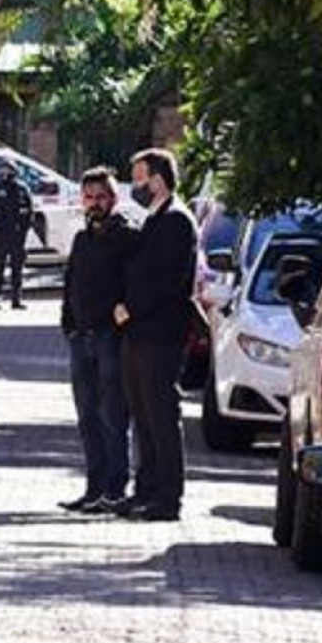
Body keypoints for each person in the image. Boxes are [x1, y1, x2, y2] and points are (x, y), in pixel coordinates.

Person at [114, 147, 200, 522]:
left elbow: (169, 279)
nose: (135, 185)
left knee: (161, 414)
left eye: (139, 177)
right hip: (138, 332)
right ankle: (145, 489)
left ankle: (168, 497)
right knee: (142, 414)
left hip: (161, 332)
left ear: (158, 179)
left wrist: (133, 307)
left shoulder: (177, 221)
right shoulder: (155, 217)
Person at [59, 167, 137, 514]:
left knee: (112, 414)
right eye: (88, 197)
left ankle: (115, 488)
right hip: (81, 337)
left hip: (110, 337)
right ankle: (93, 487)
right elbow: (71, 282)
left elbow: (133, 285)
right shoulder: (82, 238)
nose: (94, 204)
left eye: (101, 197)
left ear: (113, 199)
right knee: (86, 415)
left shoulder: (126, 237)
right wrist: (69, 324)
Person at [0, 163, 35, 310]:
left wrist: (24, 228)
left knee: (17, 267)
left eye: (9, 170)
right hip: (1, 233)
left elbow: (30, 211)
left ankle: (16, 299)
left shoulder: (22, 189)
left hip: (17, 235)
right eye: (3, 169)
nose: (6, 173)